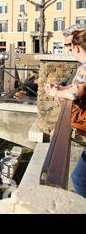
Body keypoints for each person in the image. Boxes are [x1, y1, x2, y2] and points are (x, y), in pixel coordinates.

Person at [46, 30, 86, 198]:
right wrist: (60, 88)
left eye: (70, 47)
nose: (69, 50)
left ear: (77, 48)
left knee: (78, 179)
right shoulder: (82, 67)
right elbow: (75, 87)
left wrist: (56, 94)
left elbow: (75, 94)